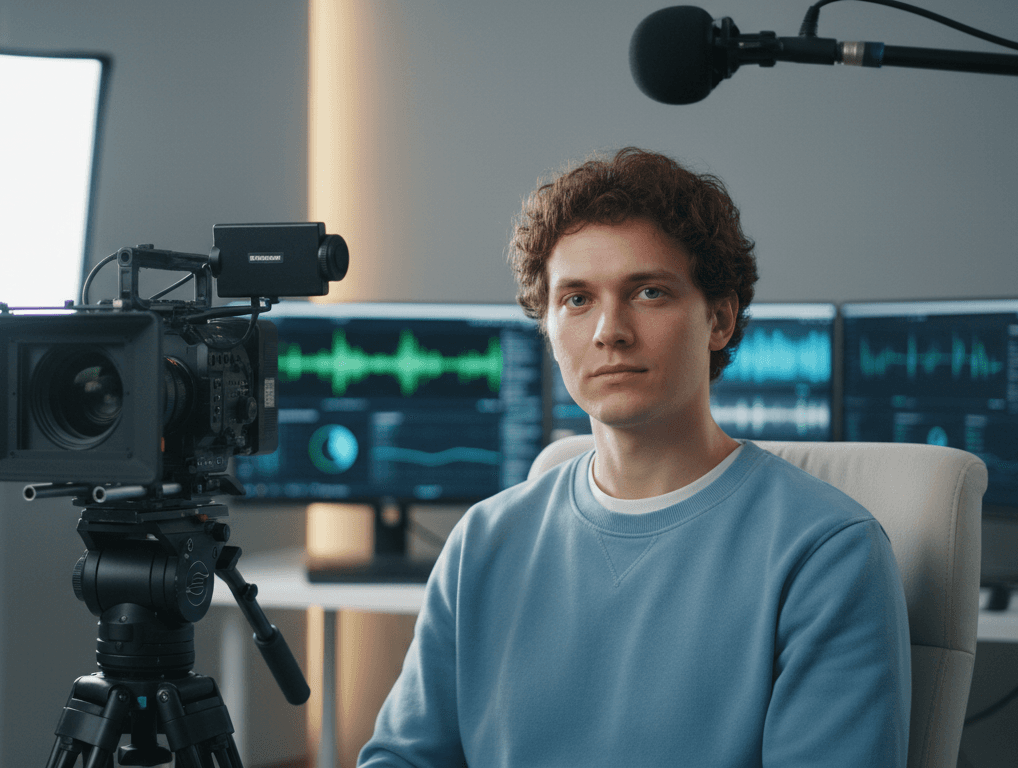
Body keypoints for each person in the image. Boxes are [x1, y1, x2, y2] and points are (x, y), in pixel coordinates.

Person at [357, 148, 911, 767]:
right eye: (576, 299)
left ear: (720, 320)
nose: (609, 330)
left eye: (648, 292)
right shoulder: (482, 543)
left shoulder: (827, 554)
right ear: (547, 324)